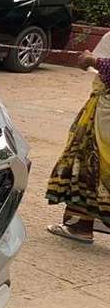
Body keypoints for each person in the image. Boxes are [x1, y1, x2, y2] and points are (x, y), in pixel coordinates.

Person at [46, 32, 110, 244]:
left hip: (105, 117)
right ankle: (81, 223)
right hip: (101, 110)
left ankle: (81, 225)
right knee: (86, 161)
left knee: (91, 162)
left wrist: (95, 61)